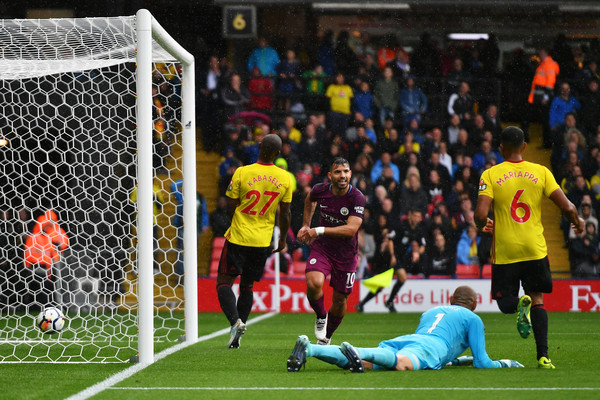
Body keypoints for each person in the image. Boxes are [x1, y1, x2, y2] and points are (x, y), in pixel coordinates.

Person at [474, 126, 584, 369]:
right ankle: (543, 357)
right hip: (535, 249)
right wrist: (578, 221)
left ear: (501, 148)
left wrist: (482, 224)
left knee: (505, 303)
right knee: (538, 299)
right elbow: (567, 207)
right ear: (524, 146)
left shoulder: (490, 174)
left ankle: (518, 304)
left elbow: (480, 214)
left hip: (506, 251)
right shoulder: (541, 172)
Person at [287, 285, 524, 372]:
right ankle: (358, 352)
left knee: (365, 362)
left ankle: (310, 349)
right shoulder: (473, 318)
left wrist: (460, 360)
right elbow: (483, 362)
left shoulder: (431, 311)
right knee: (401, 364)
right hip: (430, 348)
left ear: (451, 299)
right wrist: (505, 363)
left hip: (409, 339)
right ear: (474, 305)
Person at [216, 134, 292, 349]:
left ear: (259, 146)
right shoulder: (285, 178)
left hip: (239, 236)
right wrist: (283, 238)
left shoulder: (242, 172)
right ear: (278, 153)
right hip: (262, 241)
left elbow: (230, 205)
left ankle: (235, 322)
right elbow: (286, 213)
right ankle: (238, 332)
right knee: (247, 286)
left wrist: (237, 222)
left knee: (224, 282)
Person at [296, 157, 366, 345]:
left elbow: (351, 229)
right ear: (330, 175)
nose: (342, 175)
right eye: (338, 172)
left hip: (346, 254)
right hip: (323, 248)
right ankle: (321, 316)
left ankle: (326, 338)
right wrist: (305, 225)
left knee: (340, 300)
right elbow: (310, 199)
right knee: (314, 282)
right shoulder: (320, 190)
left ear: (350, 173)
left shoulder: (357, 197)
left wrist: (317, 230)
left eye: (345, 171)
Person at [170, 179, 209, 277]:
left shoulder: (200, 197)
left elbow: (204, 211)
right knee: (181, 251)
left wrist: (205, 224)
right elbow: (173, 186)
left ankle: (190, 275)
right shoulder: (182, 196)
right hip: (183, 228)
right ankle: (180, 276)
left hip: (196, 229)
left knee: (192, 252)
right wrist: (185, 180)